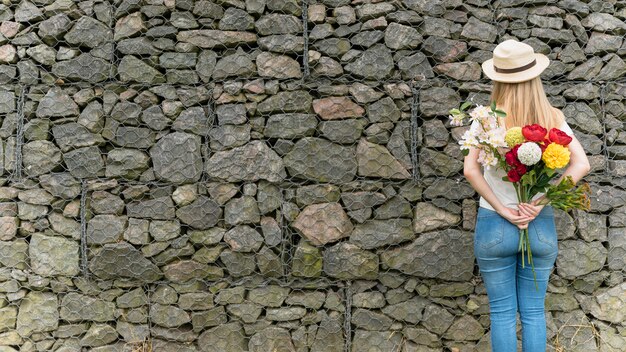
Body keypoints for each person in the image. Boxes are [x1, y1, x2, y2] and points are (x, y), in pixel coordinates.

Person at [463, 39, 591, 351]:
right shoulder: (552, 117)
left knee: (502, 313)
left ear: (497, 78)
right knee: (534, 312)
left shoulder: (487, 119)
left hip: (495, 224)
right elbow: (582, 164)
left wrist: (503, 209)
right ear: (535, 76)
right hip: (539, 226)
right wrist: (539, 203)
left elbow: (470, 170)